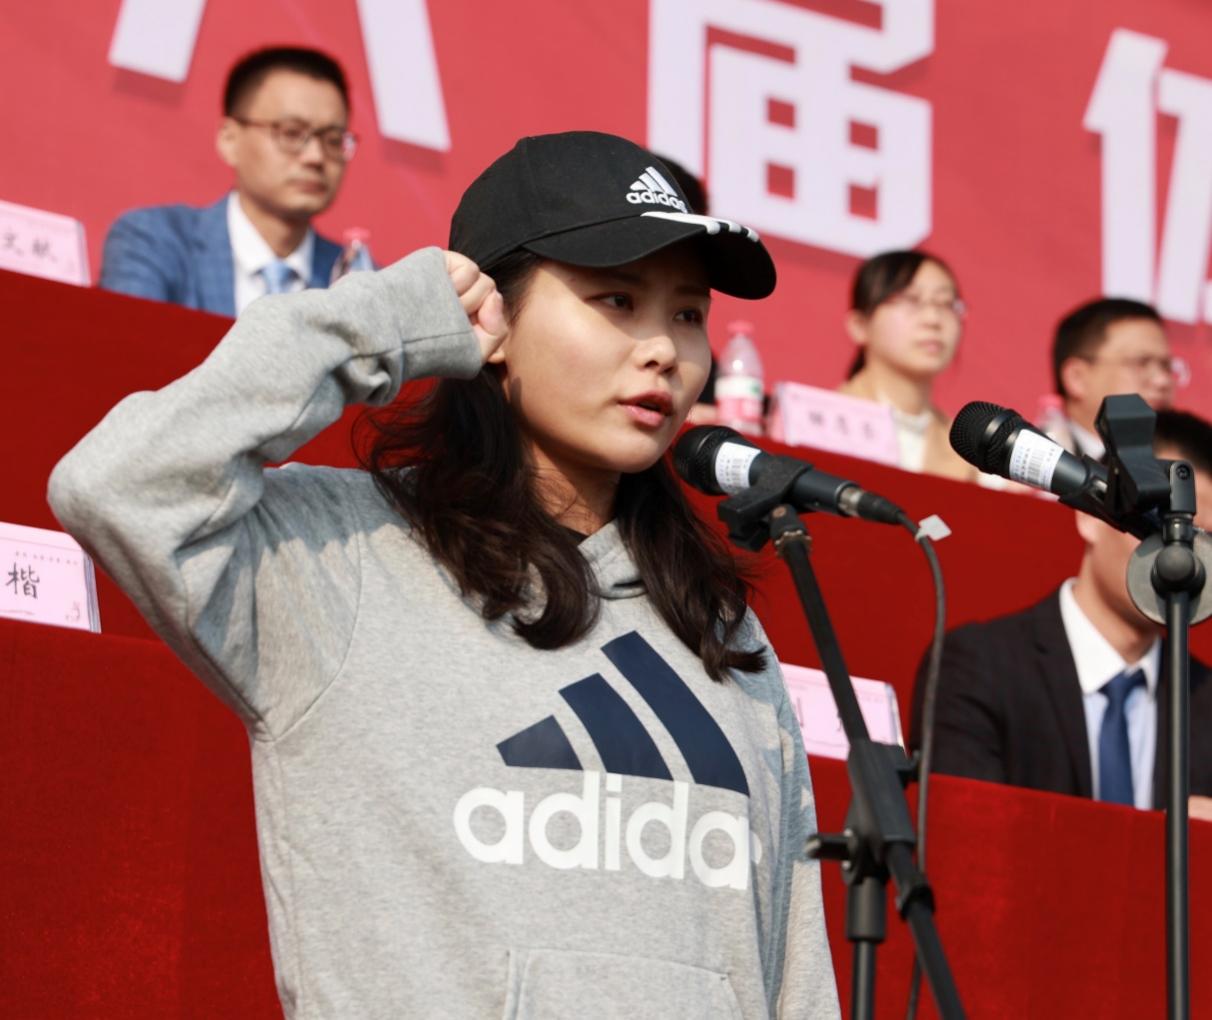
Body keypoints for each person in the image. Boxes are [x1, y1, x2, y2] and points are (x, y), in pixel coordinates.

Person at [51, 131, 840, 1019]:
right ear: (491, 319)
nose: (663, 348)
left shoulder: (718, 622)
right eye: (616, 299)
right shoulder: (341, 556)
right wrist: (386, 322)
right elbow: (114, 485)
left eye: (688, 314)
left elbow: (792, 968)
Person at [910, 409, 1212, 816]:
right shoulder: (979, 666)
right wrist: (1157, 841)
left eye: (1201, 540)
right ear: (1090, 516)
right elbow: (967, 833)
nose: (1181, 556)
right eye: (1158, 525)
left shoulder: (1205, 700)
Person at [98, 46, 355, 317]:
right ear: (229, 139)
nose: (315, 157)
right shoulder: (155, 241)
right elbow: (130, 341)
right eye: (291, 133)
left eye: (333, 140)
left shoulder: (358, 279)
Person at [837, 250, 976, 482]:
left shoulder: (970, 456)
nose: (933, 319)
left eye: (946, 304)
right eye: (911, 300)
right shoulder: (817, 422)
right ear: (860, 325)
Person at [1045, 297, 1178, 459]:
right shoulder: (1034, 467)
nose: (1162, 381)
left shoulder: (1190, 465)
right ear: (1077, 378)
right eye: (1141, 363)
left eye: (1166, 366)